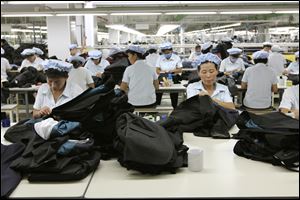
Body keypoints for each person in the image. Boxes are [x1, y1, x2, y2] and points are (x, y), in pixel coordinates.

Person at [156, 42, 182, 109]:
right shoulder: (160, 58)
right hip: (162, 77)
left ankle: (175, 108)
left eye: (168, 52)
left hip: (173, 77)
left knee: (174, 94)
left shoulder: (176, 58)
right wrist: (162, 72)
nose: (166, 54)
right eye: (165, 53)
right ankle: (156, 108)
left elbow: (180, 69)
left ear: (171, 51)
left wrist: (171, 71)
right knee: (158, 93)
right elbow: (157, 70)